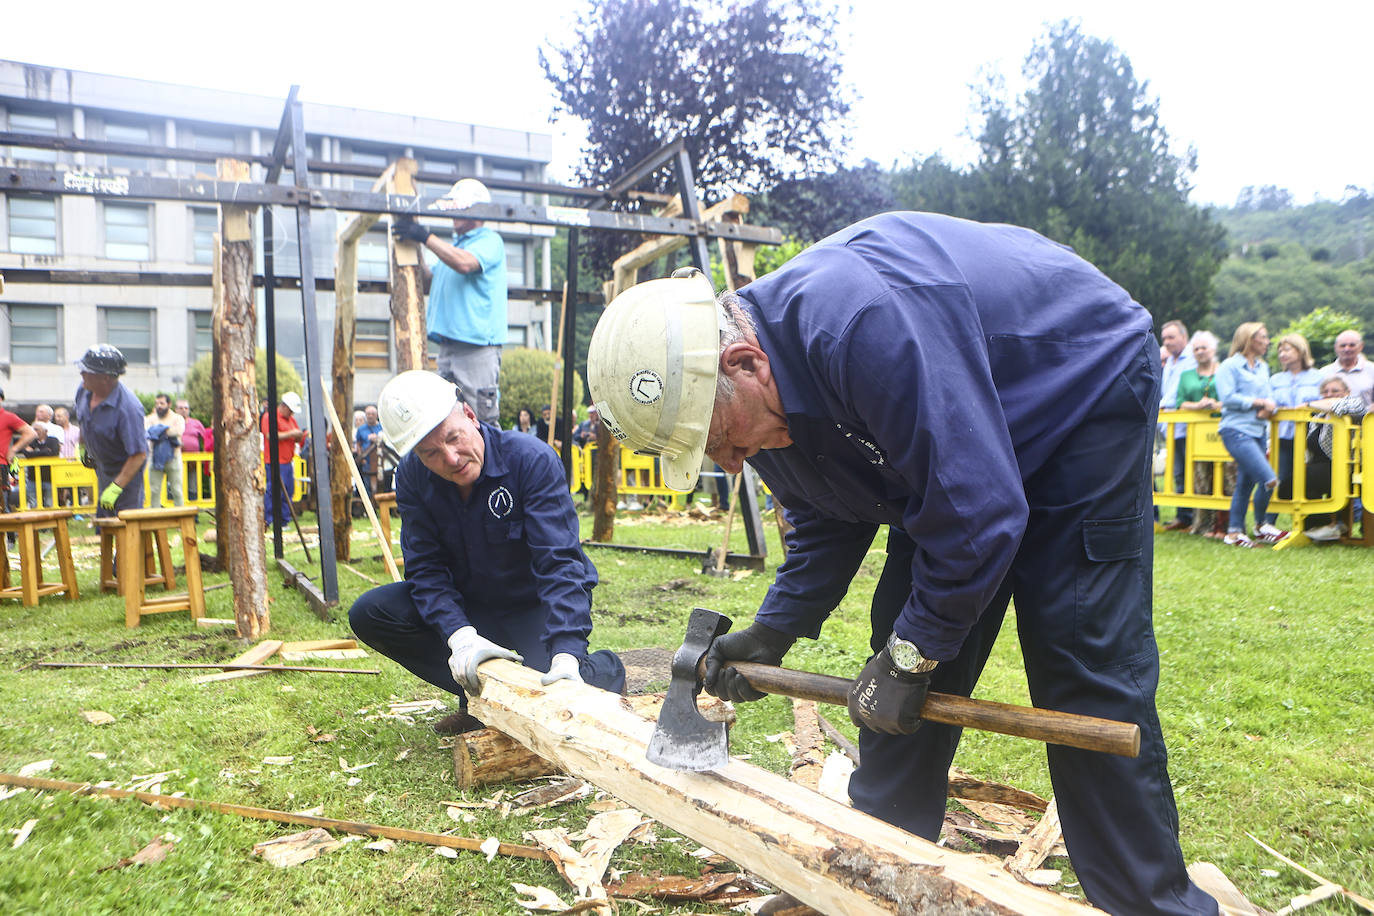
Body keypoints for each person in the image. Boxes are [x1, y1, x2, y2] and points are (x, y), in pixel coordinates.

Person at [586, 213, 1219, 916]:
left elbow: (978, 516)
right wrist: (774, 632)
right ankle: (875, 880)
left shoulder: (859, 327)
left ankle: (1150, 905)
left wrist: (911, 660)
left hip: (1078, 388)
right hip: (965, 439)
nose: (727, 462)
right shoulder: (757, 394)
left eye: (714, 439)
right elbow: (828, 515)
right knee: (903, 636)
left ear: (744, 364)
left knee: (1078, 652)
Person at [348, 370, 625, 735]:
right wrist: (460, 637)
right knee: (372, 613)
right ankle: (479, 696)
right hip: (471, 606)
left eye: (454, 438)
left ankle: (601, 670)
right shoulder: (413, 477)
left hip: (531, 604)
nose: (450, 458)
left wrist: (567, 652)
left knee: (553, 684)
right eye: (431, 453)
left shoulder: (530, 460)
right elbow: (425, 569)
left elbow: (559, 564)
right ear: (417, 454)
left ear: (470, 416)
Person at [392, 179, 507, 425]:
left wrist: (425, 236)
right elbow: (429, 278)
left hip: (476, 349)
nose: (454, 213)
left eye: (461, 208)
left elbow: (465, 263)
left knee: (481, 423)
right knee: (447, 419)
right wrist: (415, 245)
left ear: (477, 211)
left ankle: (492, 464)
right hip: (449, 349)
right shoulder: (455, 247)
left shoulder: (488, 241)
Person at [1215, 323, 1286, 547]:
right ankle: (1261, 525)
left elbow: (1268, 396)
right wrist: (1258, 402)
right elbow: (1227, 397)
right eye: (1263, 338)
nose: (1267, 342)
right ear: (1249, 339)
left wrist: (1269, 406)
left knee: (1245, 484)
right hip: (1236, 430)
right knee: (1269, 479)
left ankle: (1235, 532)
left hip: (1258, 430)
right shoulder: (1229, 366)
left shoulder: (1263, 367)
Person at [72, 345, 146, 517]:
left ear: (105, 378)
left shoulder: (128, 409)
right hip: (102, 467)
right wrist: (83, 446)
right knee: (104, 524)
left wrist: (117, 487)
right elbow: (84, 420)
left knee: (126, 523)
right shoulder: (83, 391)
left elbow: (138, 455)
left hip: (126, 471)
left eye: (86, 371)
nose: (81, 374)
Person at [1173, 331, 1229, 538]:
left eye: (1204, 348)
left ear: (1214, 350)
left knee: (1225, 478)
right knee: (1200, 477)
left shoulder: (1224, 371)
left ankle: (1223, 525)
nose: (1200, 352)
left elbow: (1233, 399)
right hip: (1197, 433)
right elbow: (1180, 403)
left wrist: (1216, 404)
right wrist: (1198, 405)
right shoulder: (1186, 375)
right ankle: (1202, 524)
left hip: (1223, 430)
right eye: (1196, 349)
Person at [1265, 334, 1322, 529]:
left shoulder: (1318, 376)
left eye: (1287, 349)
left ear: (1300, 351)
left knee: (1306, 478)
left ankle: (1308, 524)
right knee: (1276, 478)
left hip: (1310, 438)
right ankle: (1267, 523)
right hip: (1282, 437)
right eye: (1280, 350)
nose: (1282, 354)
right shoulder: (1275, 379)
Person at [1300, 376, 1368, 541]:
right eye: (1325, 391)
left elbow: (1336, 405)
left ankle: (1328, 526)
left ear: (1346, 392)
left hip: (1348, 467)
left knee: (1300, 480)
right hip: (1321, 466)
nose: (1329, 394)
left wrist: (1308, 405)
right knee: (1291, 483)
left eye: (1335, 391)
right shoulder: (1317, 417)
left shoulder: (1355, 403)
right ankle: (1323, 526)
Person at [1158, 320, 1196, 531]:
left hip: (1186, 423)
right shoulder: (1170, 361)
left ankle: (1190, 516)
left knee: (1189, 471)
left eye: (1171, 337)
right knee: (1178, 471)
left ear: (1184, 337)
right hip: (1171, 424)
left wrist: (1160, 405)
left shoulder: (1191, 359)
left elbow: (1176, 393)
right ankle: (1183, 516)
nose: (1167, 342)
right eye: (1164, 338)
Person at [261, 391, 305, 526]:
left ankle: (284, 520)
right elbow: (269, 436)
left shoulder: (291, 420)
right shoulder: (269, 417)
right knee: (274, 491)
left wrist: (298, 436)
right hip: (274, 461)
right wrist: (291, 433)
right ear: (284, 406)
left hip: (287, 461)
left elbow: (296, 437)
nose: (292, 414)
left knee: (288, 491)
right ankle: (269, 519)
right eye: (291, 411)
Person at [144, 392, 185, 508]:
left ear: (169, 404)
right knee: (154, 491)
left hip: (174, 457)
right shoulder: (150, 419)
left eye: (162, 403)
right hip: (154, 458)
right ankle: (155, 521)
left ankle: (181, 519)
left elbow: (178, 431)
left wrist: (158, 431)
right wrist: (166, 431)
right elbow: (147, 431)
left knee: (177, 490)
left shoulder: (178, 418)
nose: (159, 406)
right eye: (157, 403)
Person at [0, 390, 37, 513]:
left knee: (2, 503)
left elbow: (31, 433)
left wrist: (14, 449)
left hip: (1, 464)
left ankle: (11, 532)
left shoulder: (8, 417)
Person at [1321, 329, 1372, 405]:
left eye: (1352, 345)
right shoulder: (1324, 373)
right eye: (1342, 346)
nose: (1347, 349)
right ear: (1335, 348)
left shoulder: (1371, 370)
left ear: (1361, 347)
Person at [20, 419, 60, 508]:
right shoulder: (29, 441)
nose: (34, 432)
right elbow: (26, 454)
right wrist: (44, 451)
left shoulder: (53, 440)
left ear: (45, 431)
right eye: (33, 429)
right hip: (32, 478)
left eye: (37, 429)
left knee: (50, 503)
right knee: (33, 503)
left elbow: (53, 453)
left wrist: (35, 452)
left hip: (49, 477)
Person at [355, 404, 384, 499]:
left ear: (376, 415)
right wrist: (361, 457)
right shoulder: (361, 429)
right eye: (368, 414)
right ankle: (370, 505)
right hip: (367, 461)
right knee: (367, 485)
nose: (370, 416)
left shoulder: (382, 427)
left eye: (372, 414)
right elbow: (358, 444)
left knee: (383, 483)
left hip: (381, 461)